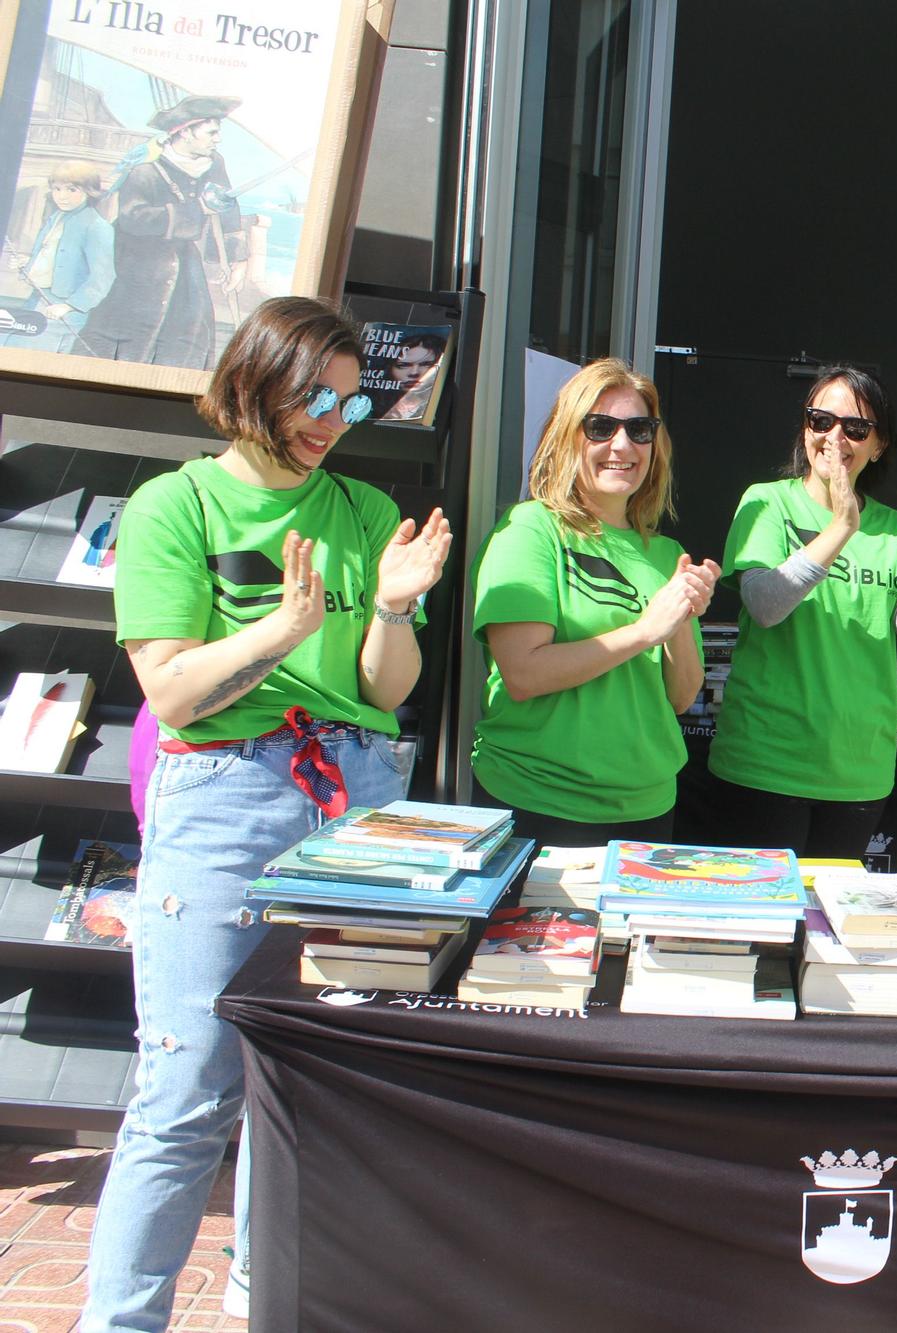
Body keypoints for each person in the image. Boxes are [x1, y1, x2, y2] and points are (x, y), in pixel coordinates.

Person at [85, 296, 452, 1331]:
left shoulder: (367, 513)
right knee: (187, 1091)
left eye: (348, 401)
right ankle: (117, 1322)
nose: (330, 419)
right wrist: (279, 631)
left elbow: (384, 691)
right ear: (255, 378)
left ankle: (267, 1303)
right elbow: (169, 691)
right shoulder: (174, 504)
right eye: (311, 395)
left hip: (357, 793)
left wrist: (386, 608)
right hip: (223, 791)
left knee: (308, 1086)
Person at [703, 366, 897, 857]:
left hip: (857, 773)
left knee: (828, 930)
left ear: (879, 444)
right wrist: (842, 526)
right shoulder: (767, 503)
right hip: (765, 764)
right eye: (820, 420)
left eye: (856, 428)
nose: (834, 438)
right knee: (759, 931)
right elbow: (764, 605)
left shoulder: (894, 527)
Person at [470, 359, 719, 846]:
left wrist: (681, 617)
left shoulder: (666, 553)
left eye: (639, 429)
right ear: (567, 438)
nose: (622, 445)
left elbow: (681, 697)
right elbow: (523, 673)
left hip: (647, 807)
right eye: (601, 427)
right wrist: (646, 630)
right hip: (538, 801)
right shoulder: (531, 529)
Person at [77, 94, 246, 369]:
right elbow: (133, 218)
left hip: (185, 269)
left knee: (190, 336)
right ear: (185, 132)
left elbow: (225, 207)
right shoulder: (144, 170)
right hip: (135, 267)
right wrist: (196, 209)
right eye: (211, 132)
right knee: (121, 341)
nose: (218, 139)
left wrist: (237, 260)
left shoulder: (214, 163)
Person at [4, 160, 115, 352]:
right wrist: (28, 264)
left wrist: (69, 306)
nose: (62, 196)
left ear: (89, 191)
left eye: (72, 190)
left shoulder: (97, 227)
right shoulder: (56, 218)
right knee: (12, 348)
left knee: (30, 358)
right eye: (57, 189)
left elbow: (103, 277)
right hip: (38, 298)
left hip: (63, 309)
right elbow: (55, 258)